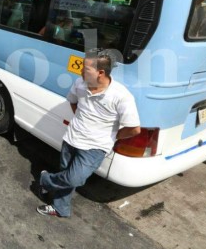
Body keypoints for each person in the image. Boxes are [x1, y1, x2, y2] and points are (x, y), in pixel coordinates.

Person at [36, 51, 141, 218]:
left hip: (96, 146)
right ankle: (60, 208)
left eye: (86, 69)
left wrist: (113, 137)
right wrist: (81, 121)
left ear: (101, 73)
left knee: (74, 179)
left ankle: (45, 180)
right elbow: (73, 102)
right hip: (72, 137)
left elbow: (134, 129)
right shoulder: (80, 83)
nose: (81, 71)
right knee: (65, 173)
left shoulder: (121, 96)